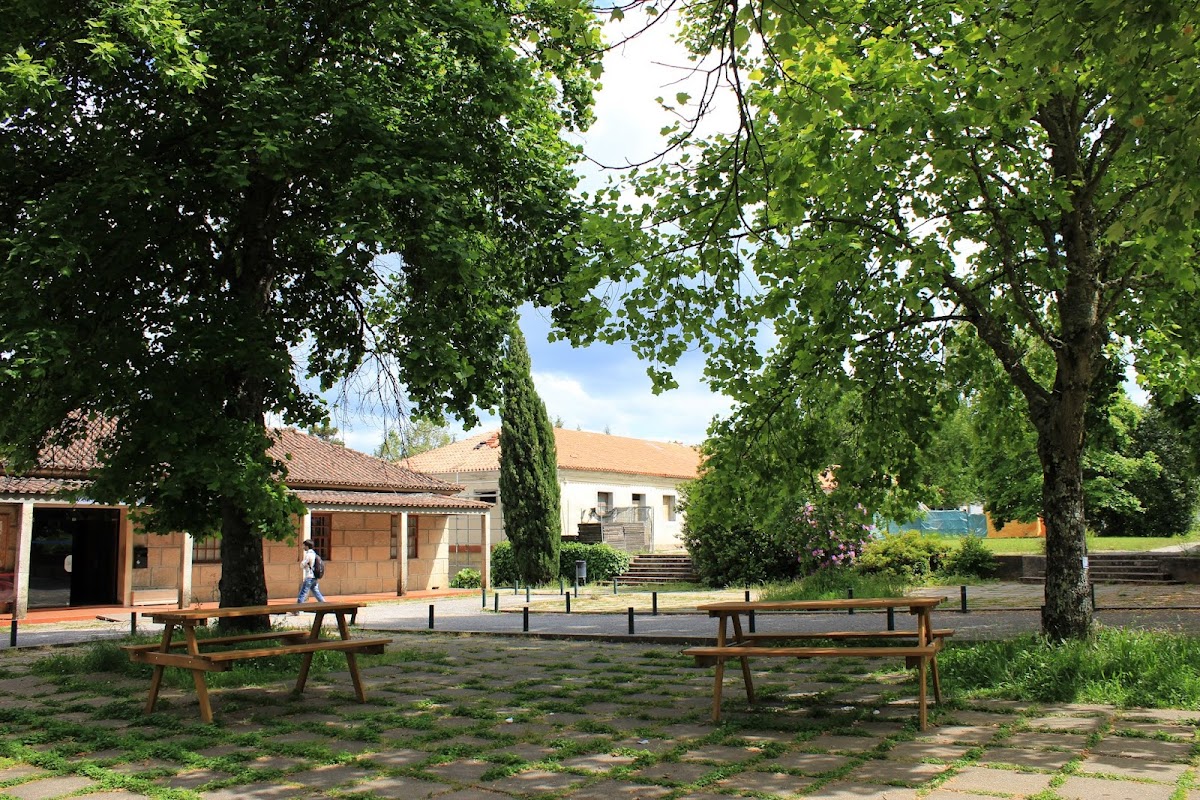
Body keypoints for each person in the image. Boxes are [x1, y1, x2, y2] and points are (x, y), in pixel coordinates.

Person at [296, 539, 326, 606]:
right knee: (316, 592)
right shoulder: (314, 554)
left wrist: (303, 565)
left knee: (302, 593)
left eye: (304, 545)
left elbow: (302, 564)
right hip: (314, 577)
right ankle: (325, 605)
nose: (303, 547)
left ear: (307, 546)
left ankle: (297, 609)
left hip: (309, 577)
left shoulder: (308, 554)